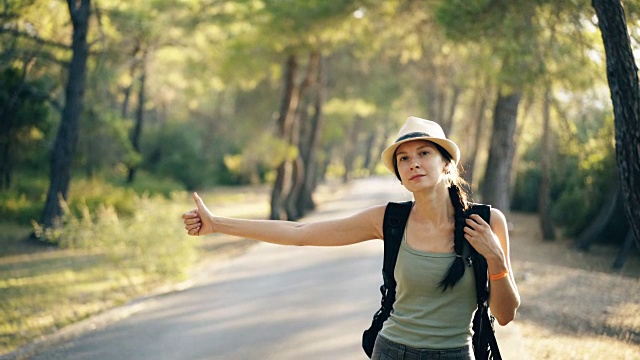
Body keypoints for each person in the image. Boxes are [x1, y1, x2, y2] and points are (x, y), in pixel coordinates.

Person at [182, 116, 520, 360]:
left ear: (447, 164)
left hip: (456, 354)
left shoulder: (487, 222)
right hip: (391, 351)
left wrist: (496, 260)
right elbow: (300, 233)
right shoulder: (389, 220)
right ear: (400, 174)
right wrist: (218, 224)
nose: (413, 163)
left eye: (424, 153)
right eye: (404, 158)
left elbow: (505, 315)